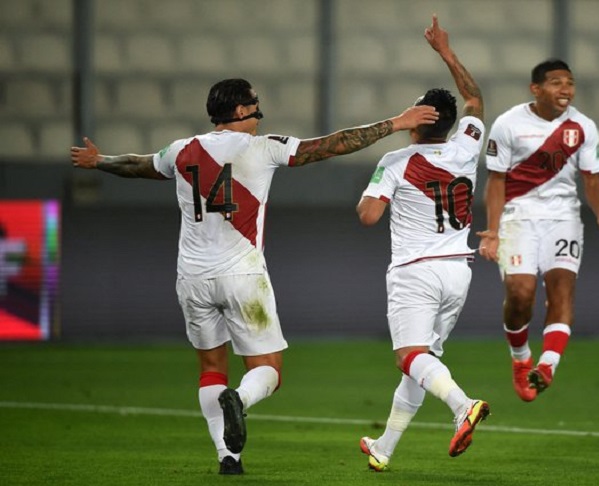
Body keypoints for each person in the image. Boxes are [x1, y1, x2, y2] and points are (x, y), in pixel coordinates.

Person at [69, 80, 439, 475]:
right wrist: (396, 123)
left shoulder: (180, 151)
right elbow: (335, 143)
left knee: (211, 367)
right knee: (269, 371)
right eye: (255, 106)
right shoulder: (263, 148)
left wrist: (99, 161)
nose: (260, 113)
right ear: (242, 112)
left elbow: (136, 164)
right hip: (243, 276)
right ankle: (239, 401)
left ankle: (228, 457)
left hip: (192, 278)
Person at [355, 15, 488, 472]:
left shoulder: (397, 160)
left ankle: (462, 405)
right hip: (458, 270)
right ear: (450, 125)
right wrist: (446, 53)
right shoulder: (467, 146)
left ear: (416, 121)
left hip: (415, 270)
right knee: (422, 361)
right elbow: (474, 98)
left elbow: (368, 216)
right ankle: (385, 447)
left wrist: (389, 152)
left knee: (409, 357)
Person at [476, 59, 599, 402]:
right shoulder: (508, 124)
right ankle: (520, 359)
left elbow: (592, 179)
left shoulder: (583, 126)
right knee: (520, 293)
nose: (566, 90)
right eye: (557, 82)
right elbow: (496, 181)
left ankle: (546, 366)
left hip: (563, 218)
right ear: (536, 89)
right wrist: (494, 231)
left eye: (570, 83)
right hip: (517, 218)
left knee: (562, 290)